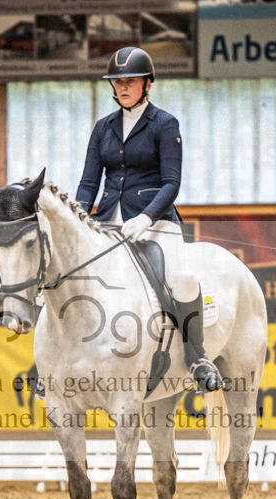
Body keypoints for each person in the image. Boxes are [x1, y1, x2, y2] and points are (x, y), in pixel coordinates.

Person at [76, 46, 223, 392]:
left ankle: (197, 355)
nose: (123, 87)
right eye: (118, 81)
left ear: (148, 83)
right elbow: (88, 183)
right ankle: (47, 365)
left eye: (130, 81)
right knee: (68, 275)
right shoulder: (103, 128)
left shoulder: (165, 124)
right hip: (108, 221)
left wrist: (146, 217)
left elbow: (171, 183)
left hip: (155, 222)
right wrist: (79, 215)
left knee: (184, 279)